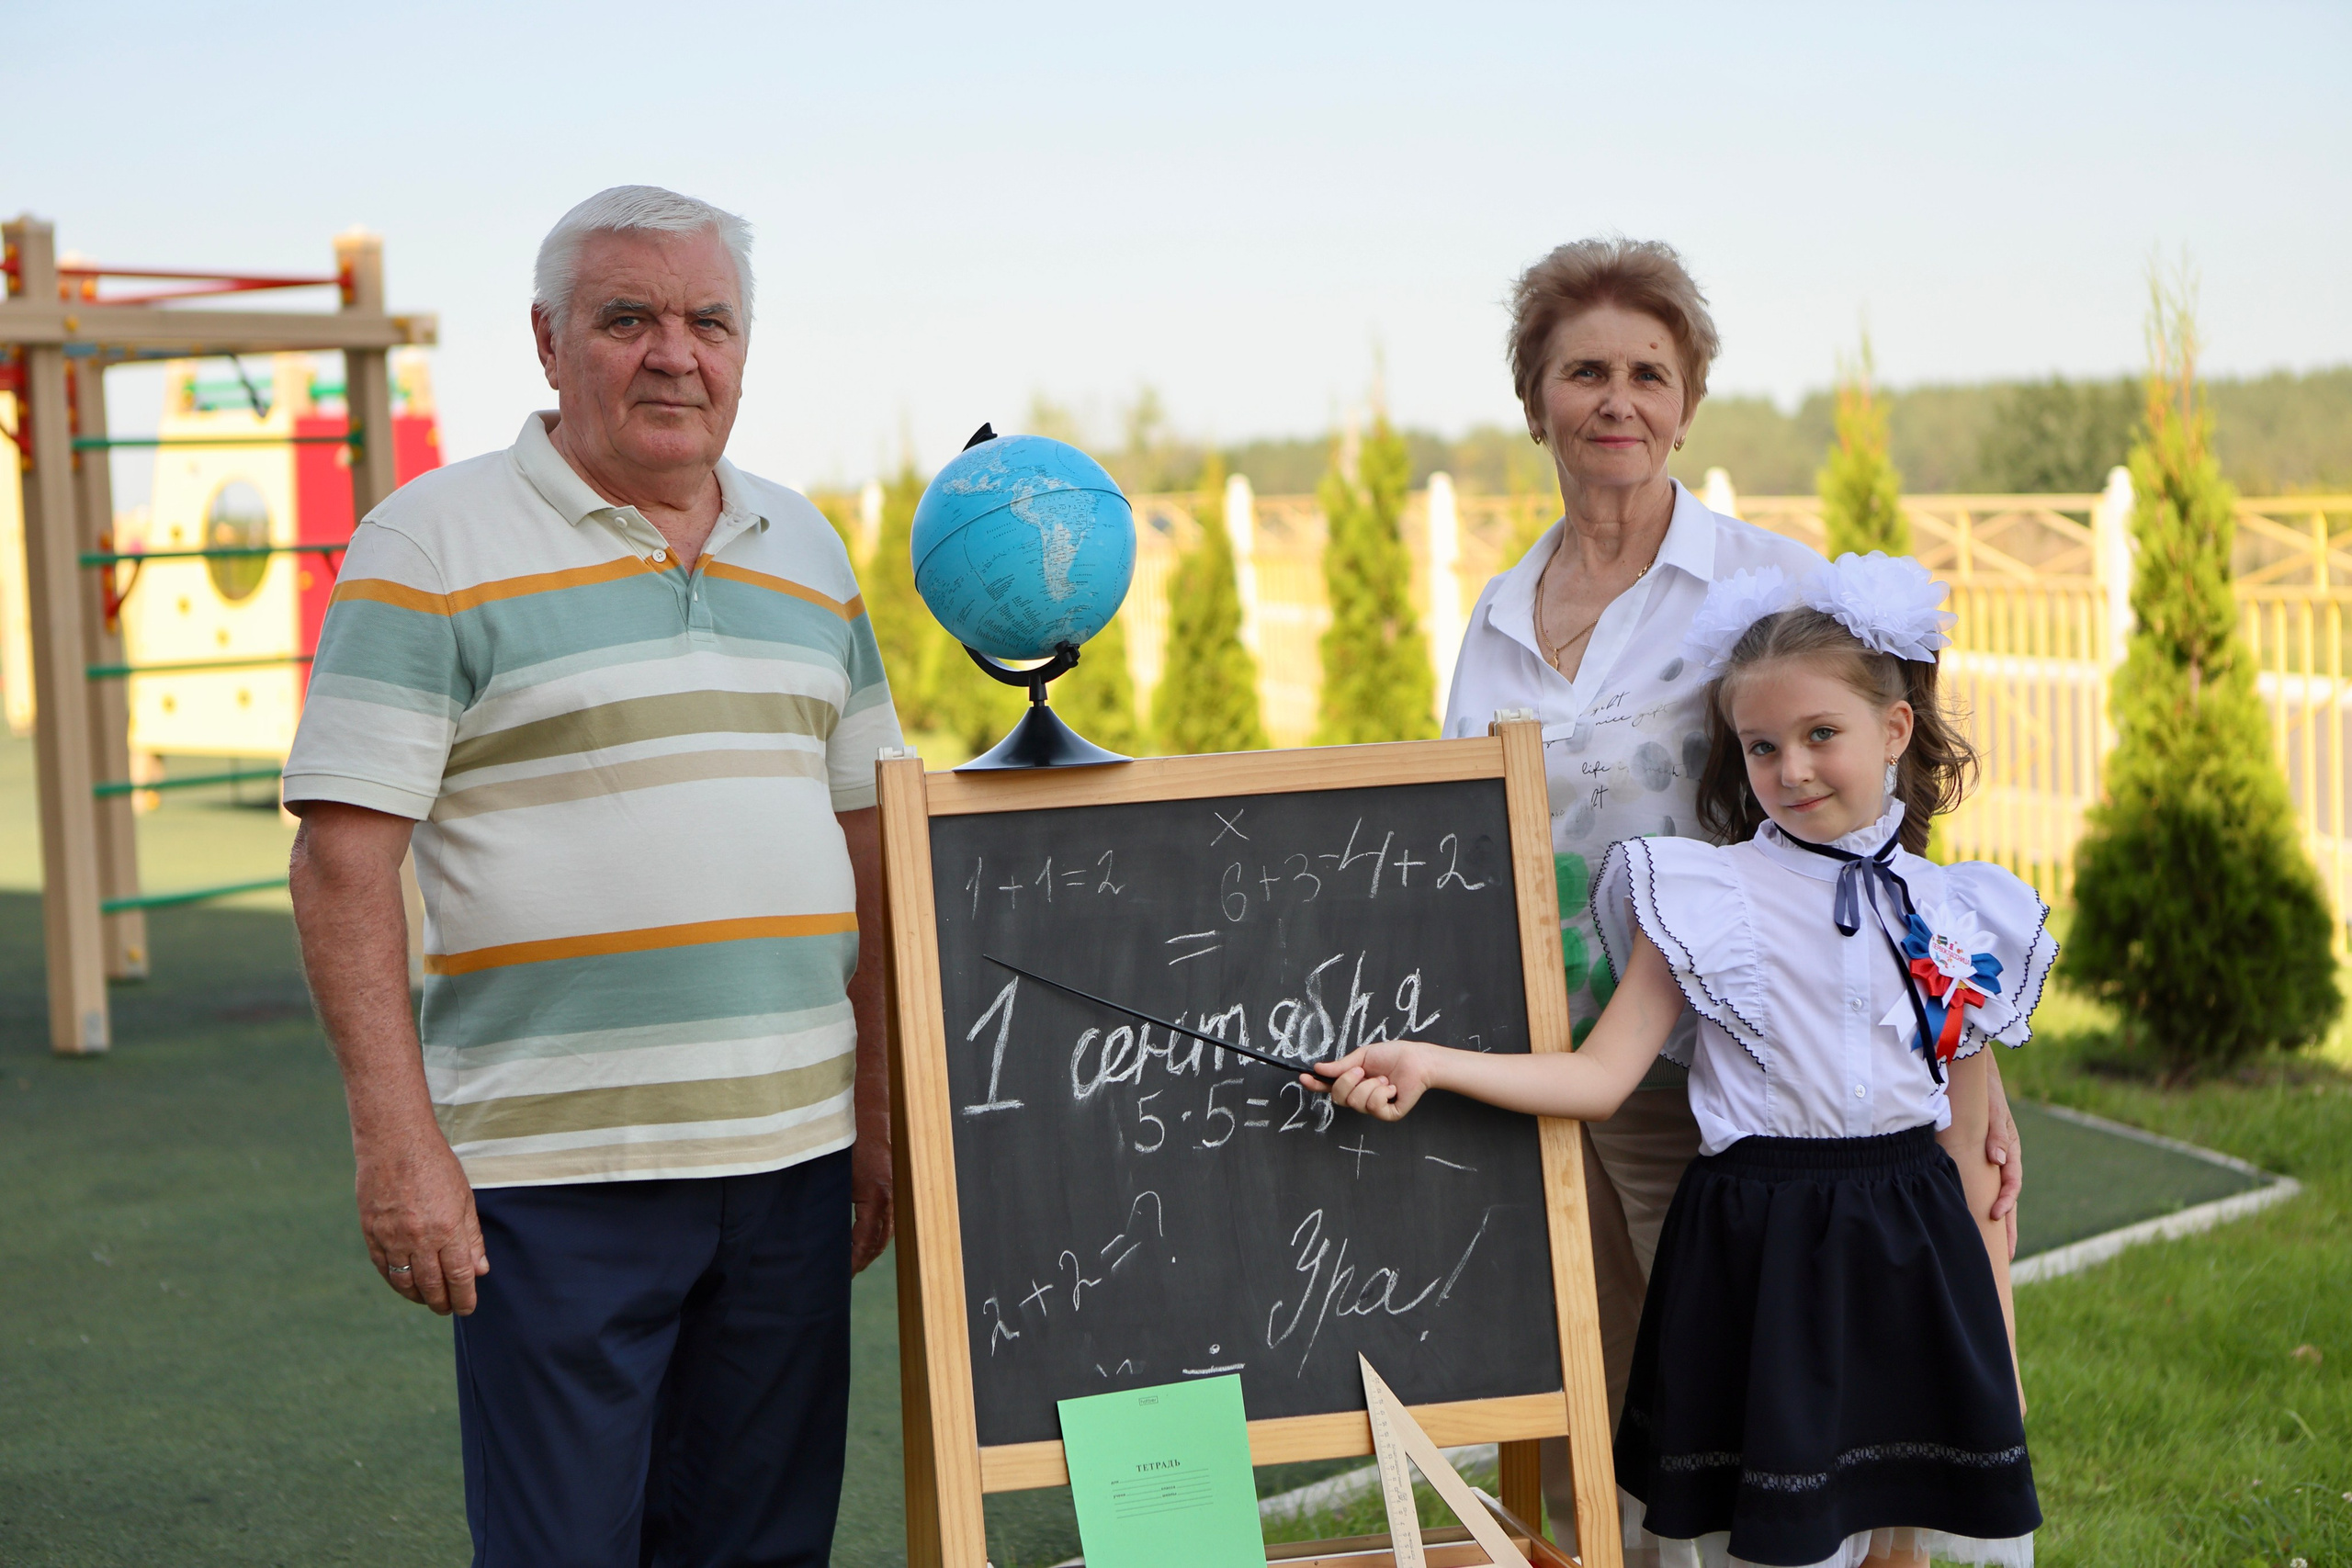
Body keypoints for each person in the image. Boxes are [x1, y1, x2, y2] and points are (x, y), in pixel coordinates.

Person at [283, 186, 901, 1567]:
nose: (675, 352)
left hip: (793, 1159)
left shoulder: (806, 547)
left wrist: (878, 1109)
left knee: (763, 1545)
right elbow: (340, 866)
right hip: (559, 1177)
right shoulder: (427, 542)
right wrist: (400, 1150)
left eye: (709, 321)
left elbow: (872, 838)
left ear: (745, 348)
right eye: (629, 318)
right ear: (550, 342)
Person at [1440, 237, 2024, 1528]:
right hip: (1545, 1045)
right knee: (1592, 1378)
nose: (1617, 401)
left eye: (1650, 372)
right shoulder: (1491, 615)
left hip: (1721, 1062)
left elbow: (1883, 807)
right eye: (1583, 370)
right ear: (1533, 397)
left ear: (1688, 400)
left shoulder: (1764, 578)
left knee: (1736, 1383)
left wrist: (1966, 1065)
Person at [1312, 553, 2047, 1568]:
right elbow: (1599, 1078)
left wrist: (1992, 1347)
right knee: (1789, 1536)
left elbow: (1971, 1150)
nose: (1789, 770)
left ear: (1894, 729)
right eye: (1760, 746)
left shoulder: (1955, 913)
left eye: (1820, 735)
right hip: (1765, 1254)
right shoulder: (1703, 899)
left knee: (1898, 1527)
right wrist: (1435, 1063)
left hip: (1909, 1248)